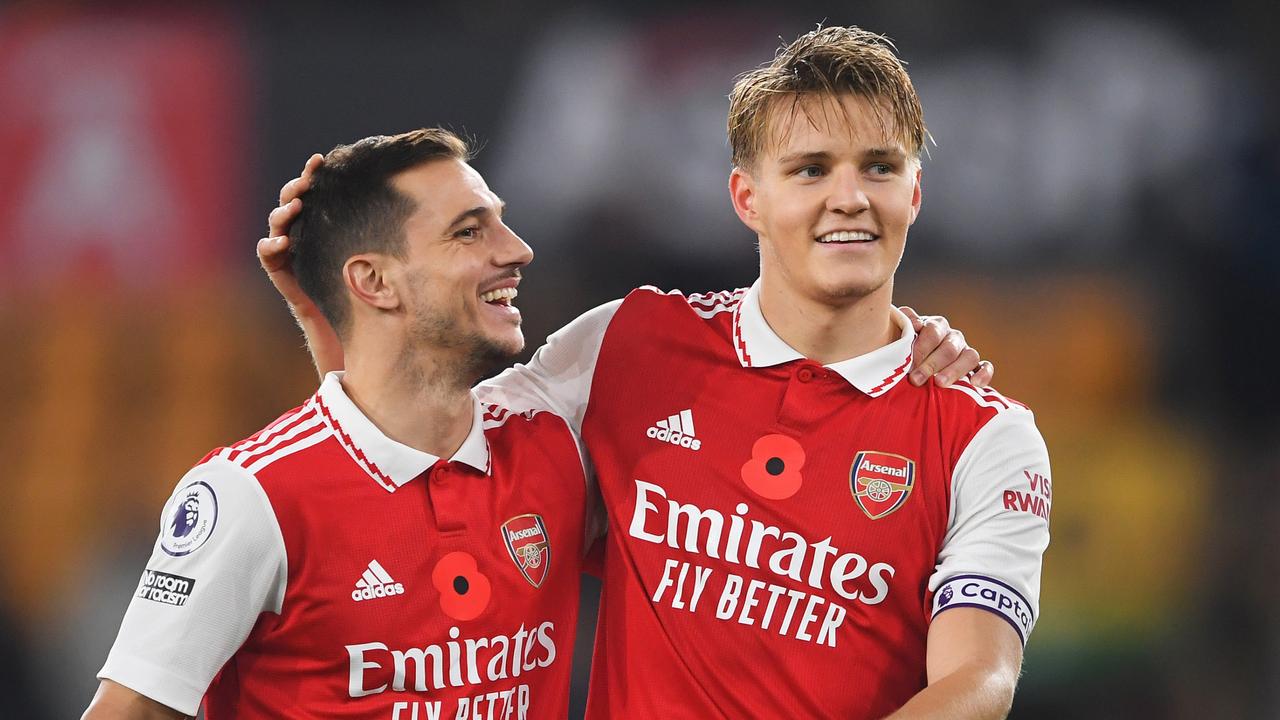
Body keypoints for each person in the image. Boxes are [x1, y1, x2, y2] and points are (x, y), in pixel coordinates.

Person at [262, 26, 1044, 720]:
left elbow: (981, 677)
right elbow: (408, 452)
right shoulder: (628, 343)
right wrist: (333, 318)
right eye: (809, 170)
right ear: (748, 198)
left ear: (914, 192)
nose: (849, 198)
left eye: (878, 167)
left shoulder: (984, 433)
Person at [83, 129, 595, 719]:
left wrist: (323, 315)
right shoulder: (253, 495)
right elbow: (131, 711)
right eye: (469, 232)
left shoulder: (555, 440)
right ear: (373, 281)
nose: (518, 250)